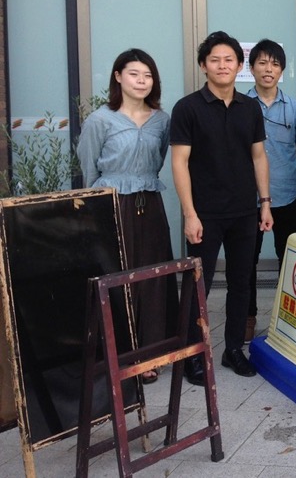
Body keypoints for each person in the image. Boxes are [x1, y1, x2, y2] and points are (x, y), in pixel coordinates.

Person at [171, 31, 273, 384]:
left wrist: (265, 203)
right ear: (204, 65)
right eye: (214, 59)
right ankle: (192, 356)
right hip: (205, 214)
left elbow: (259, 157)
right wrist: (189, 213)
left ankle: (233, 350)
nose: (222, 65)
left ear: (239, 66)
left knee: (241, 283)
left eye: (229, 59)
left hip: (244, 211)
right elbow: (180, 163)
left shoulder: (250, 108)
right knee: (197, 286)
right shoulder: (187, 108)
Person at [77, 48, 178, 384]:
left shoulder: (162, 121)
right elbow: (89, 167)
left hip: (149, 203)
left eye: (147, 75)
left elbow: (161, 157)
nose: (141, 81)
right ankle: (118, 354)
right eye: (134, 74)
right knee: (115, 277)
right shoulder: (100, 120)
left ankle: (150, 353)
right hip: (111, 204)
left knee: (151, 276)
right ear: (118, 76)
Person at [245, 39, 296, 342]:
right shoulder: (241, 106)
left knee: (288, 259)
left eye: (275, 63)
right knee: (247, 260)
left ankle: (287, 317)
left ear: (282, 70)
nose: (269, 69)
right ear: (251, 67)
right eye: (262, 63)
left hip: (286, 194)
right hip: (248, 198)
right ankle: (248, 315)